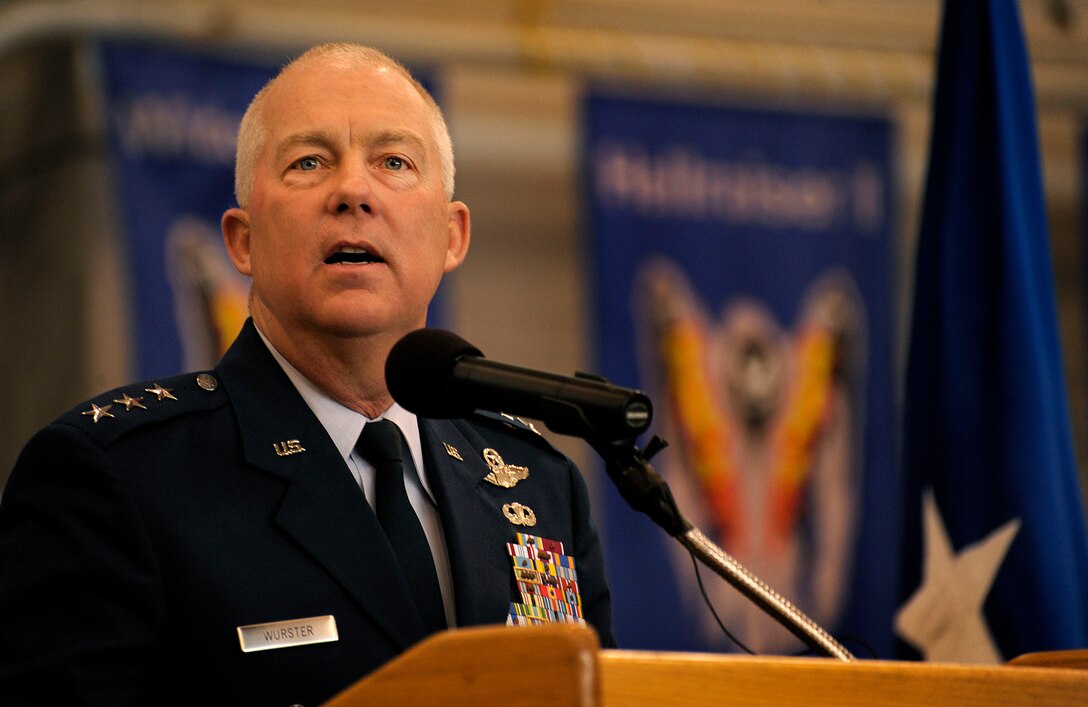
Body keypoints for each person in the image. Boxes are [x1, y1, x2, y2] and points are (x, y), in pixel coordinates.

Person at [0, 43, 613, 706]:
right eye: (308, 162)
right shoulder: (116, 478)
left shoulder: (539, 484)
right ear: (242, 240)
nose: (353, 191)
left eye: (395, 161)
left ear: (452, 235)